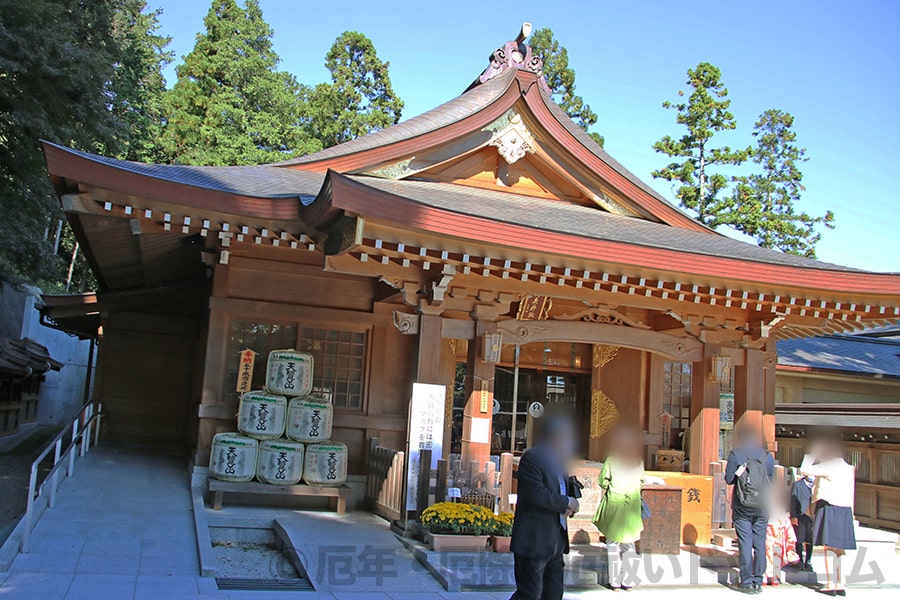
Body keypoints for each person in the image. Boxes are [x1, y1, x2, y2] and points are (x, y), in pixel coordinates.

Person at [510, 411, 579, 600]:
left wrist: (569, 504)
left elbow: (561, 490)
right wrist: (566, 502)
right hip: (534, 539)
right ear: (555, 435)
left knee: (554, 592)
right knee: (529, 593)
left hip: (556, 538)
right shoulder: (532, 457)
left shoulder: (559, 461)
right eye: (567, 435)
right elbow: (536, 493)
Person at [800, 431, 856, 596]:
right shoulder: (848, 467)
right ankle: (840, 582)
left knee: (828, 547)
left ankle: (831, 583)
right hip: (845, 509)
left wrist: (813, 452)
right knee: (839, 549)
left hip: (830, 507)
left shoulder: (830, 466)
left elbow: (804, 470)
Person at [593, 427, 645, 591]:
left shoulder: (612, 460)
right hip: (632, 507)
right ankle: (628, 582)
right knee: (629, 546)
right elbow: (642, 482)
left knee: (613, 545)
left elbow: (602, 481)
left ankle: (614, 582)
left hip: (615, 504)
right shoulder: (638, 462)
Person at [725, 423, 775, 594]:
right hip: (762, 506)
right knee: (759, 542)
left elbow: (729, 479)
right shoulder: (767, 457)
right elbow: (770, 479)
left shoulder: (736, 455)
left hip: (742, 505)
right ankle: (758, 580)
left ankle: (746, 581)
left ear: (740, 437)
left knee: (745, 542)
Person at [765, 485, 799, 585]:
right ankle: (775, 578)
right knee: (776, 557)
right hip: (778, 539)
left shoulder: (766, 512)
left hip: (767, 539)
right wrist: (790, 542)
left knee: (766, 556)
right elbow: (788, 529)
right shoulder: (782, 513)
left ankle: (765, 576)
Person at [790, 472, 815, 572]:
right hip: (800, 515)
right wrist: (793, 515)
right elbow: (792, 501)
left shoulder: (816, 485)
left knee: (810, 539)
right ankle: (800, 559)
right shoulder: (798, 485)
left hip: (812, 516)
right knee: (799, 538)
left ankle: (808, 560)